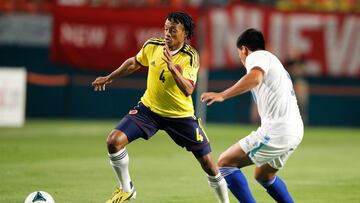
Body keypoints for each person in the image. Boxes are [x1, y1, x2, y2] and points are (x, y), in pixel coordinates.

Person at [92, 12, 229, 203]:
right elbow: (134, 63)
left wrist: (173, 69)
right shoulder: (152, 45)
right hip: (149, 111)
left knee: (209, 164)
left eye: (173, 30)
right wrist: (109, 77)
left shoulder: (190, 56)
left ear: (185, 33)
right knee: (113, 141)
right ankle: (127, 189)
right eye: (166, 29)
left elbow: (189, 89)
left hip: (180, 117)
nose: (167, 34)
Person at [201, 28, 303, 203]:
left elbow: (255, 78)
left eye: (239, 53)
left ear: (244, 49)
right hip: (294, 130)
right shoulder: (273, 61)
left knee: (225, 163)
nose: (241, 59)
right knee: (264, 175)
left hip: (277, 130)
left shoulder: (256, 56)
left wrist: (223, 94)